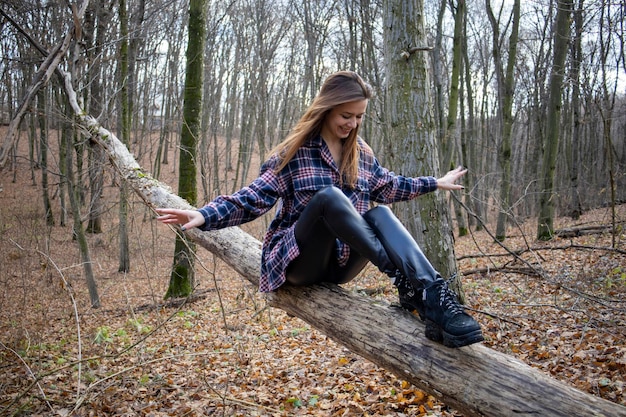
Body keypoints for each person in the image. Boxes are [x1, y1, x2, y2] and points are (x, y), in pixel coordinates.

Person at [156, 71, 483, 348]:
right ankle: (402, 279)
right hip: (298, 264)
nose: (353, 124)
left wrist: (433, 183)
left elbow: (389, 185)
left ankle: (433, 297)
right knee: (329, 198)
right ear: (327, 109)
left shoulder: (361, 154)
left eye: (359, 117)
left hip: (341, 265)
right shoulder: (296, 152)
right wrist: (205, 214)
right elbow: (254, 196)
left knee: (379, 213)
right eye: (346, 116)